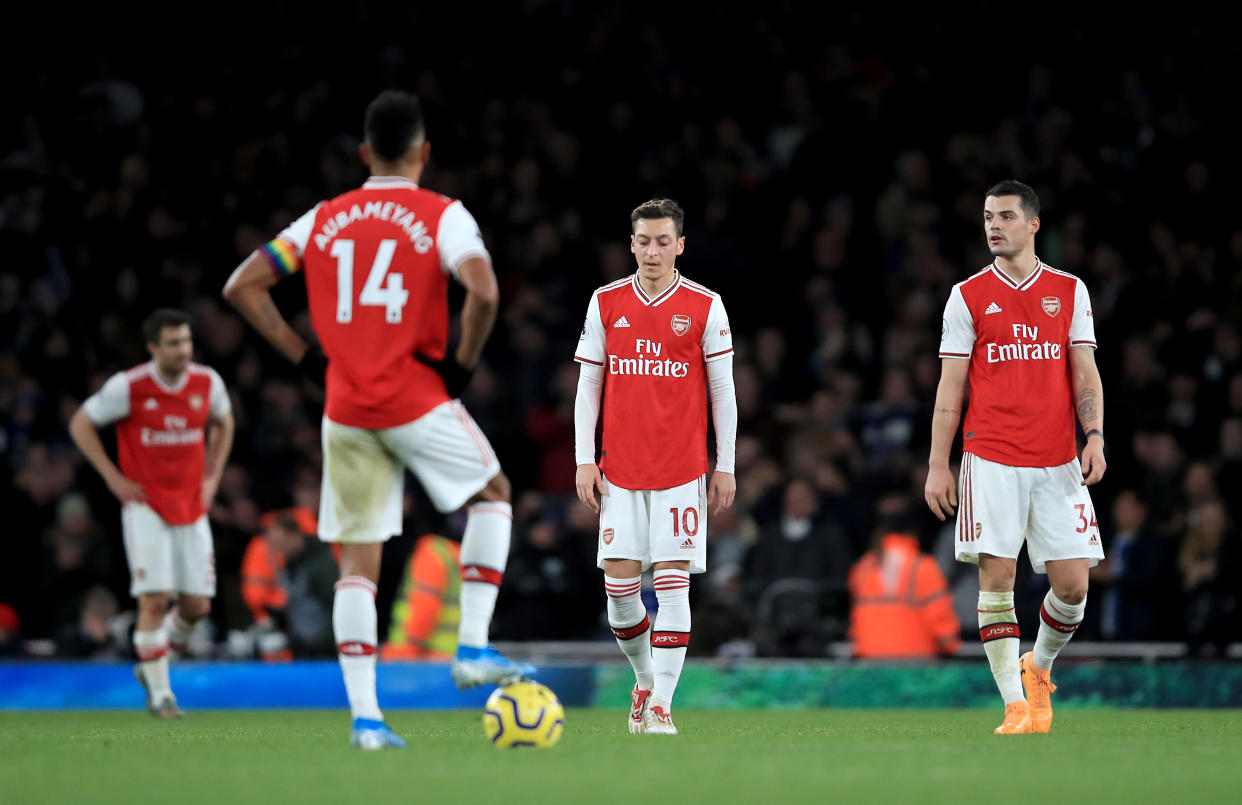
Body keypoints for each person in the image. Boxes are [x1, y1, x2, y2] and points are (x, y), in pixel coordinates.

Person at [223, 90, 531, 750]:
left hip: (346, 407)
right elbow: (484, 290)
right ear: (425, 152)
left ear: (364, 153)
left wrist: (307, 360)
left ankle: (366, 720)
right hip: (415, 396)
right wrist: (465, 364)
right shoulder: (442, 214)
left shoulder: (324, 217)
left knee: (356, 569)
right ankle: (472, 647)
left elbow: (241, 286)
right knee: (494, 495)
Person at [925, 180, 1105, 735]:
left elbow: (1083, 371)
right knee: (996, 579)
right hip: (992, 458)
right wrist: (938, 463)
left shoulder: (1070, 291)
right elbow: (949, 388)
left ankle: (1039, 667)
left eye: (1005, 216)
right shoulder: (968, 295)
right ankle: (1014, 706)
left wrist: (1094, 433)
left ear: (1033, 225)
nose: (993, 226)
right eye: (986, 217)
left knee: (1074, 585)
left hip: (1057, 461)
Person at [574, 198, 737, 735]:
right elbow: (589, 386)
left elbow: (722, 391)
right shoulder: (605, 302)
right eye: (643, 241)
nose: (652, 250)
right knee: (620, 596)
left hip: (681, 472)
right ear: (632, 244)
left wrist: (726, 464)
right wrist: (583, 459)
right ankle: (644, 678)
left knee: (672, 586)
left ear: (680, 245)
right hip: (618, 470)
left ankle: (663, 704)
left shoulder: (705, 306)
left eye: (663, 241)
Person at [68, 307, 235, 717]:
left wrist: (212, 477)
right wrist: (112, 476)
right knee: (155, 599)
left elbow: (224, 422)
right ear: (153, 348)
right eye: (174, 343)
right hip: (146, 506)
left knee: (196, 607)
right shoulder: (129, 387)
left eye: (187, 341)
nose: (184, 350)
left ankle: (155, 666)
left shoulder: (206, 382)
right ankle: (162, 695)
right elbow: (80, 424)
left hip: (191, 506)